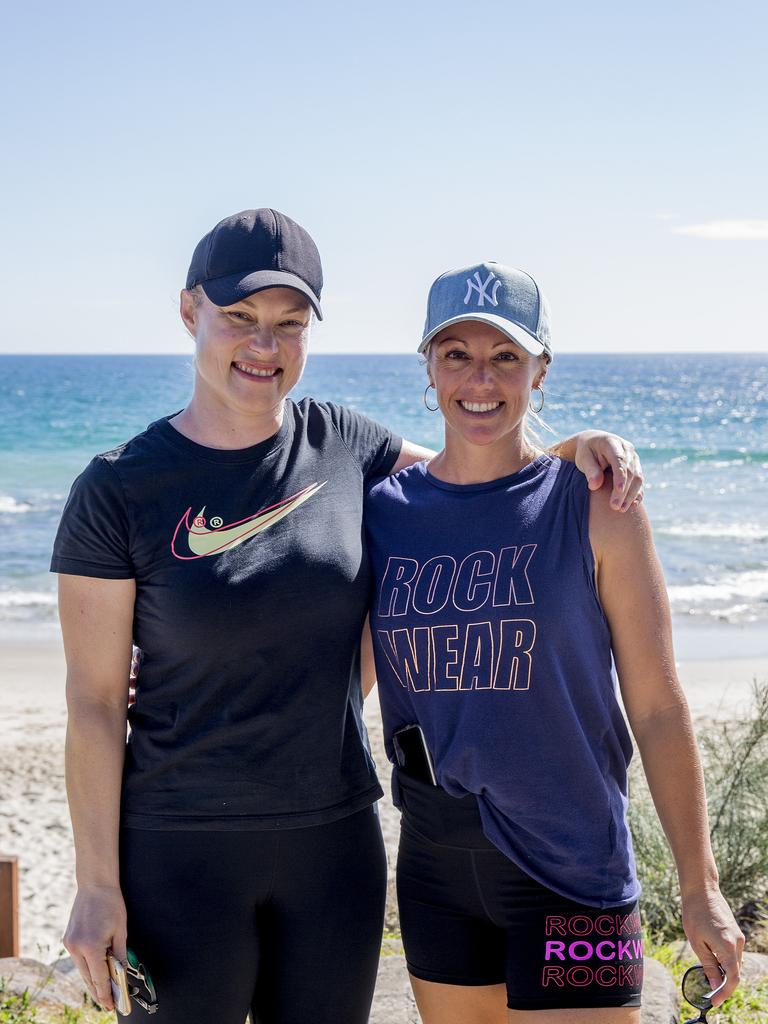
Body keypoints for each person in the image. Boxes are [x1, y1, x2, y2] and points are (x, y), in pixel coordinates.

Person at [51, 212, 643, 1024]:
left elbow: (475, 474)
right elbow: (89, 702)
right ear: (190, 312)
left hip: (333, 849)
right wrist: (95, 884)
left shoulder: (345, 445)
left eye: (289, 325)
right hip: (178, 852)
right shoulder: (118, 489)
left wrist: (579, 446)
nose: (265, 346)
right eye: (241, 319)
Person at [363, 262, 745, 1024]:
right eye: (456, 354)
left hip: (573, 869)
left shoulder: (597, 502)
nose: (481, 378)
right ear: (428, 368)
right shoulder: (384, 513)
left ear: (541, 370)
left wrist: (699, 888)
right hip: (437, 869)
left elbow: (659, 706)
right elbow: (321, 661)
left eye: (506, 356)